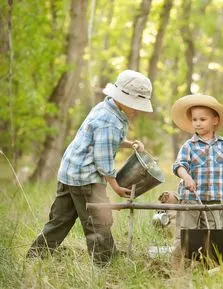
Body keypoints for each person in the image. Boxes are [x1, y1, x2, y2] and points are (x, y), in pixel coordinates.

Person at [27, 70, 154, 265]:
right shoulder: (110, 122)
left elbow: (101, 141)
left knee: (59, 220)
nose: (137, 111)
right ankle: (106, 263)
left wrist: (129, 144)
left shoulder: (105, 108)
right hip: (87, 178)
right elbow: (102, 159)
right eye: (136, 107)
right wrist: (116, 186)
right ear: (124, 99)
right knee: (98, 221)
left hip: (70, 173)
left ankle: (35, 256)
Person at [170, 94, 223, 267]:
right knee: (185, 233)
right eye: (194, 119)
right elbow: (179, 165)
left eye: (202, 119)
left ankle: (209, 265)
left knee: (212, 234)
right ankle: (178, 268)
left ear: (215, 120)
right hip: (191, 198)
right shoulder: (189, 145)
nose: (197, 123)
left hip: (214, 199)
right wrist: (187, 177)